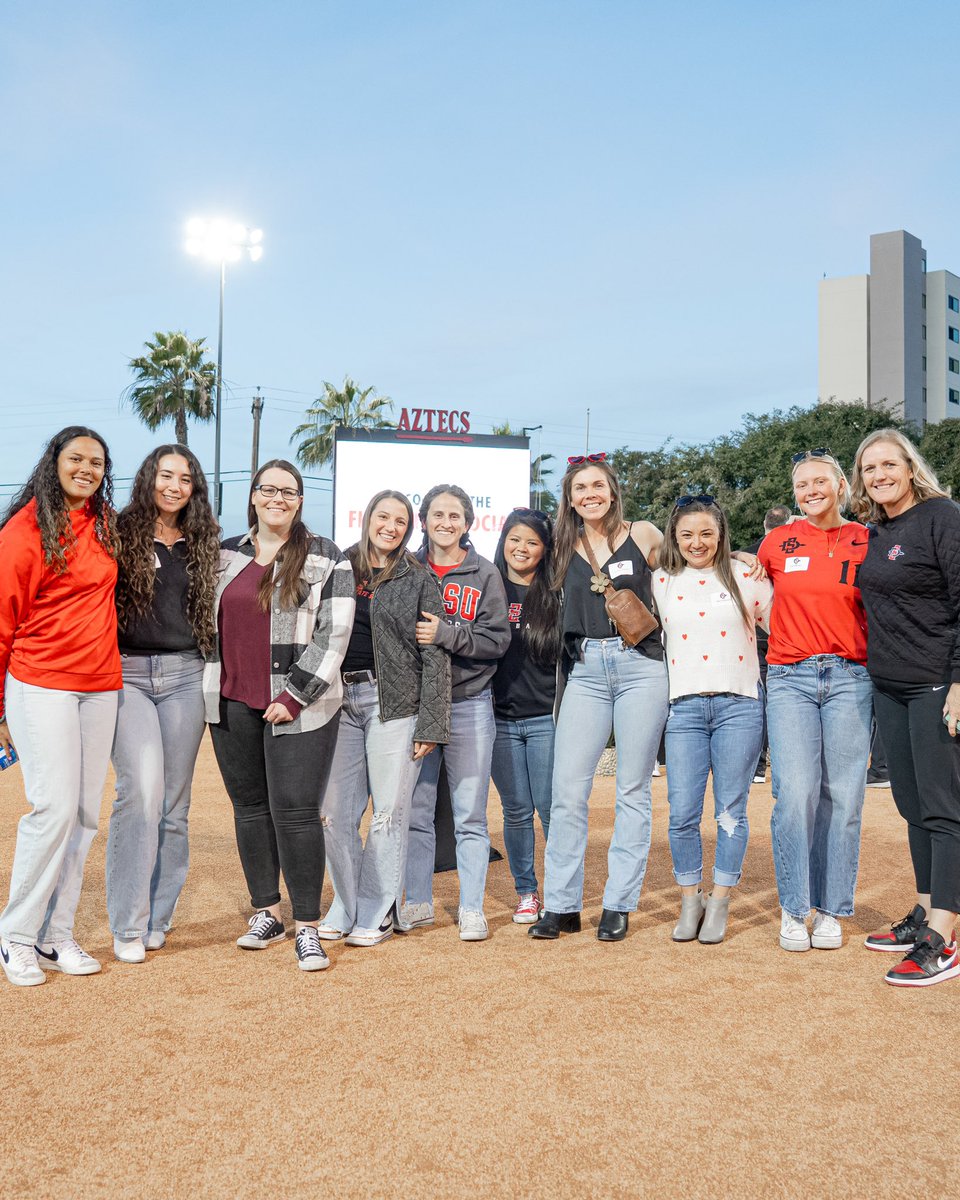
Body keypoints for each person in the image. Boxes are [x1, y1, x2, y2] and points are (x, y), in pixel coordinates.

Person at [204, 460, 355, 972]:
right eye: (268, 489)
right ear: (252, 496)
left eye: (288, 492)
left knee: (294, 812)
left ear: (299, 501)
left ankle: (308, 926)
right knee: (249, 807)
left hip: (300, 705)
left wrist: (292, 697)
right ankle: (266, 911)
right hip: (229, 700)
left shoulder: (326, 557)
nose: (277, 499)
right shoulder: (224, 554)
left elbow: (333, 636)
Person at [530, 454, 669, 942]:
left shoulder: (645, 534)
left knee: (632, 788)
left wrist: (739, 557)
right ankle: (563, 905)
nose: (589, 494)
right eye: (579, 488)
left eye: (597, 486)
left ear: (613, 490)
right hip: (585, 669)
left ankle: (618, 903)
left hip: (641, 667)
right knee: (567, 792)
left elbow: (694, 565)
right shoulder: (560, 545)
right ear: (568, 498)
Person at [0, 426, 121, 986]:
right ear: (54, 463)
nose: (86, 469)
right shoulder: (24, 530)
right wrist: (1, 710)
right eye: (76, 459)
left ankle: (57, 934)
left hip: (100, 685)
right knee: (51, 809)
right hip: (41, 682)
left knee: (85, 815)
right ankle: (16, 936)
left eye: (96, 462)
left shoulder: (105, 526)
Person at [319, 490, 451, 947]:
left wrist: (432, 722)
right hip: (336, 701)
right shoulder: (339, 565)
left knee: (389, 814)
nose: (390, 527)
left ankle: (376, 912)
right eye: (383, 517)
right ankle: (345, 903)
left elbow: (435, 655)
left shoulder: (419, 577)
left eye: (400, 520)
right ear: (367, 517)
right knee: (334, 815)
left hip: (393, 703)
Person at [852, 429, 960, 986]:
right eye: (869, 470)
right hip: (889, 685)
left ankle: (945, 937)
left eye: (888, 465)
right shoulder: (877, 530)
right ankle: (924, 914)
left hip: (937, 683)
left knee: (944, 808)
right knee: (911, 803)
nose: (879, 476)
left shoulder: (942, 516)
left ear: (910, 467)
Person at [106, 445, 220, 963]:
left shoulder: (203, 540)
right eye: (166, 475)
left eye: (186, 478)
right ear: (149, 476)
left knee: (175, 805)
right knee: (141, 794)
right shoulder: (117, 530)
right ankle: (126, 923)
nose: (175, 485)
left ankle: (158, 915)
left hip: (185, 676)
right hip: (126, 674)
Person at [759, 448, 872, 953]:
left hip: (851, 676)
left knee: (843, 798)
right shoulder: (776, 543)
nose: (811, 491)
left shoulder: (867, 539)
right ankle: (794, 907)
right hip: (790, 678)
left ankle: (830, 910)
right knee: (796, 793)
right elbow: (746, 587)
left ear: (841, 486)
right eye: (802, 484)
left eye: (820, 482)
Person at [652, 495, 772, 944]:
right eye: (686, 534)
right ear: (674, 536)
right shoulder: (661, 580)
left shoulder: (747, 575)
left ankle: (720, 899)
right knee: (682, 812)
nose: (696, 542)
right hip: (682, 709)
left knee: (730, 811)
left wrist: (748, 557)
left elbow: (779, 629)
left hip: (738, 705)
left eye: (706, 533)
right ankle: (690, 899)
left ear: (721, 534)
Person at [403, 484, 511, 942]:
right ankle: (417, 900)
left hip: (468, 704)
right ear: (423, 519)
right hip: (414, 707)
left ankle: (471, 908)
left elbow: (497, 641)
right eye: (437, 514)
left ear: (468, 523)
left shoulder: (483, 574)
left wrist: (447, 635)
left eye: (455, 516)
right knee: (415, 809)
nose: (445, 523)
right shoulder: (404, 568)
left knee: (469, 815)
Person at [491, 508, 560, 923]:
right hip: (498, 719)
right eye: (515, 539)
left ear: (544, 550)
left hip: (545, 719)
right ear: (503, 541)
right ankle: (527, 892)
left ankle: (560, 889)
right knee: (516, 810)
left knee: (551, 808)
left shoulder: (556, 591)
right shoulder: (489, 587)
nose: (522, 548)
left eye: (532, 542)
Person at [743, 504, 792, 784]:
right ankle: (781, 766)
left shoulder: (749, 551)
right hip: (784, 632)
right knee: (782, 702)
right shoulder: (792, 547)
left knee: (759, 699)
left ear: (764, 524)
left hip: (755, 634)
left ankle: (758, 767)